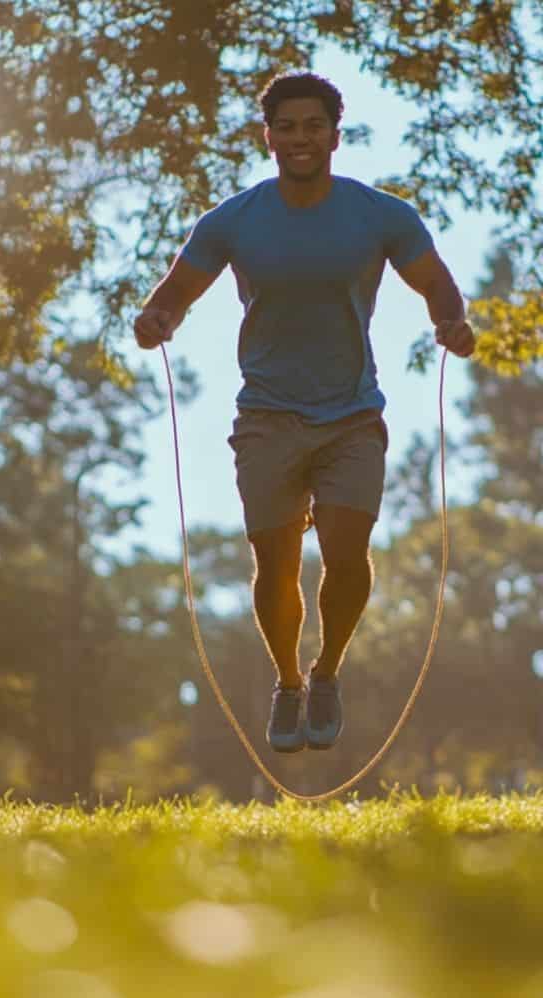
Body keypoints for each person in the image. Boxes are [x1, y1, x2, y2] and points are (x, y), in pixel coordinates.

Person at [133, 71, 475, 755]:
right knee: (275, 564)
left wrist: (452, 321)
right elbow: (173, 293)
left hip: (352, 414)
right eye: (285, 126)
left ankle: (326, 673)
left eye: (312, 126)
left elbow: (435, 281)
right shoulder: (232, 220)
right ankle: (288, 682)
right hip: (266, 416)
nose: (299, 138)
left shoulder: (381, 215)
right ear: (268, 136)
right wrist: (156, 319)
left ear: (334, 135)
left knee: (347, 558)